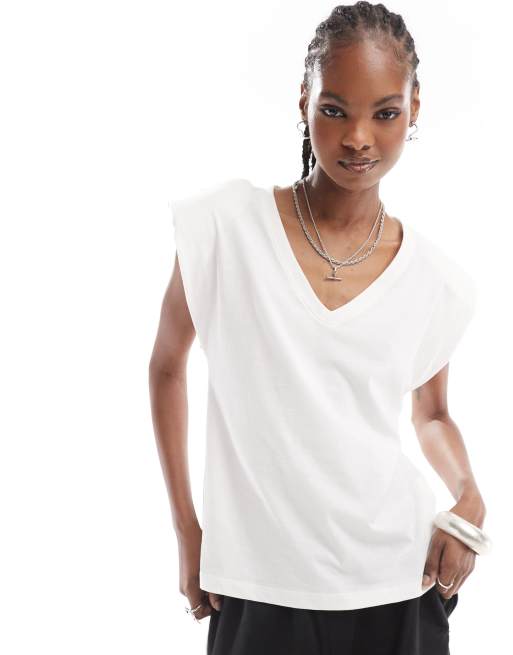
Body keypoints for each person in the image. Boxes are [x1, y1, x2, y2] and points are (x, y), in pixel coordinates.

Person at [148, 3, 490, 653]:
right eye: (334, 109)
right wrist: (187, 529)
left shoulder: (433, 279)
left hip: (397, 583)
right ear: (303, 100)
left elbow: (432, 414)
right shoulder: (224, 228)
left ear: (413, 109)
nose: (358, 137)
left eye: (384, 113)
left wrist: (469, 496)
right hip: (256, 584)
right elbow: (167, 366)